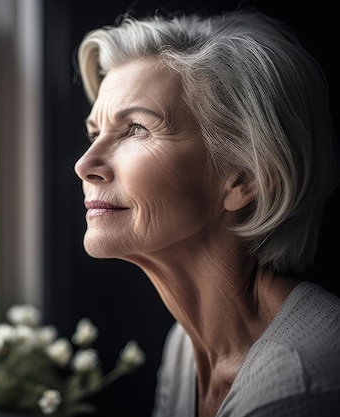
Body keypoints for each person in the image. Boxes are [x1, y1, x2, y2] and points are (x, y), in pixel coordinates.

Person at [73, 7, 340, 417]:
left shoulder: (297, 383)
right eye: (95, 133)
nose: (85, 164)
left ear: (243, 177)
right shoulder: (185, 347)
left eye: (137, 129)